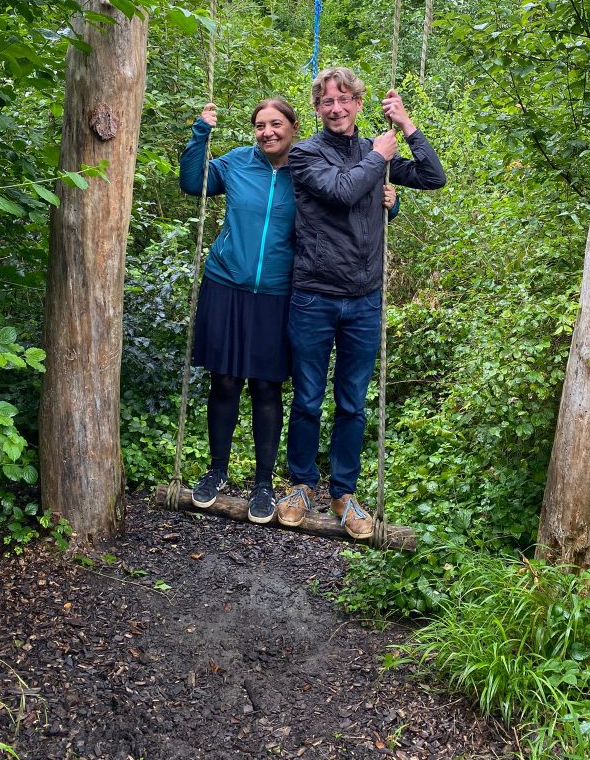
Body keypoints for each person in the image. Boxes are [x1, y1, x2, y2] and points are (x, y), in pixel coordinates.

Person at [179, 96, 400, 525]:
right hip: (227, 282)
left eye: (276, 124)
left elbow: (348, 212)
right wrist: (200, 134)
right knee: (224, 381)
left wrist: (388, 203)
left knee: (266, 386)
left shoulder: (306, 169)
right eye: (260, 125)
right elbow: (193, 183)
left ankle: (264, 483)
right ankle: (216, 471)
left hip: (282, 289)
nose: (268, 132)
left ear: (294, 127)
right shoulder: (238, 163)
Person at [277, 66, 446, 540]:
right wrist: (377, 157)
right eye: (327, 101)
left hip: (364, 300)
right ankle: (301, 485)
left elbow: (434, 177)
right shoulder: (306, 153)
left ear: (358, 103)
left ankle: (343, 493)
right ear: (316, 109)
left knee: (352, 403)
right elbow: (341, 191)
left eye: (344, 99)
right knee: (308, 398)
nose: (336, 108)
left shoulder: (380, 154)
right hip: (314, 296)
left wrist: (407, 126)